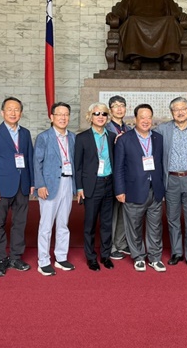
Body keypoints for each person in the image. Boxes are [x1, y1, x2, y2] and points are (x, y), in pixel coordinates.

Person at [0, 97, 34, 277]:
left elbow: (29, 158)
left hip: (22, 185)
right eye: (9, 109)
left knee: (20, 223)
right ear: (2, 112)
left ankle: (15, 257)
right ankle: (0, 259)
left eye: (17, 109)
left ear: (21, 113)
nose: (13, 113)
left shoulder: (25, 133)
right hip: (1, 187)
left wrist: (32, 182)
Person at [106, 0, 187, 71]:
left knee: (170, 21)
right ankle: (136, 60)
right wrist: (113, 16)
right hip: (137, 24)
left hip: (161, 25)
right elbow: (121, 13)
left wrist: (182, 16)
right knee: (132, 20)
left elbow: (175, 13)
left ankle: (165, 60)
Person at [114, 104, 166, 272]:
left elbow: (161, 164)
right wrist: (119, 190)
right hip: (133, 190)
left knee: (155, 226)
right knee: (134, 226)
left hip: (155, 189)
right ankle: (138, 257)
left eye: (149, 117)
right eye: (142, 117)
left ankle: (155, 258)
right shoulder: (124, 139)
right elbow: (118, 167)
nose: (145, 121)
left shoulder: (158, 138)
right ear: (135, 119)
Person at [155, 97, 187, 270]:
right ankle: (176, 252)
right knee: (173, 218)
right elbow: (144, 137)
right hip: (171, 180)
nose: (180, 112)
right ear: (171, 112)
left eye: (183, 108)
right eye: (176, 109)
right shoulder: (162, 129)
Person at [34, 102, 77, 276]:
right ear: (52, 117)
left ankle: (61, 257)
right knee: (46, 225)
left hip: (68, 182)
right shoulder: (44, 137)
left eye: (66, 114)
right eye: (59, 114)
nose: (63, 118)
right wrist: (40, 185)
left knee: (63, 223)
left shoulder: (73, 137)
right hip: (49, 185)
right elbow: (37, 162)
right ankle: (43, 261)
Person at [74, 102, 117, 271]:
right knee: (90, 224)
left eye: (104, 114)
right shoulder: (82, 138)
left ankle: (105, 255)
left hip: (109, 183)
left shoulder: (112, 137)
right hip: (92, 185)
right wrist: (79, 188)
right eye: (97, 113)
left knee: (107, 223)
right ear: (90, 116)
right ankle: (91, 257)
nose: (100, 117)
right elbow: (77, 166)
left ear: (108, 117)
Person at [105, 95, 131, 260]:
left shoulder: (129, 129)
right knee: (112, 213)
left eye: (122, 105)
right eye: (115, 106)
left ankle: (121, 243)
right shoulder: (106, 128)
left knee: (124, 212)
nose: (119, 108)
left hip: (128, 177)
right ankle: (111, 246)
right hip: (112, 176)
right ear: (110, 110)